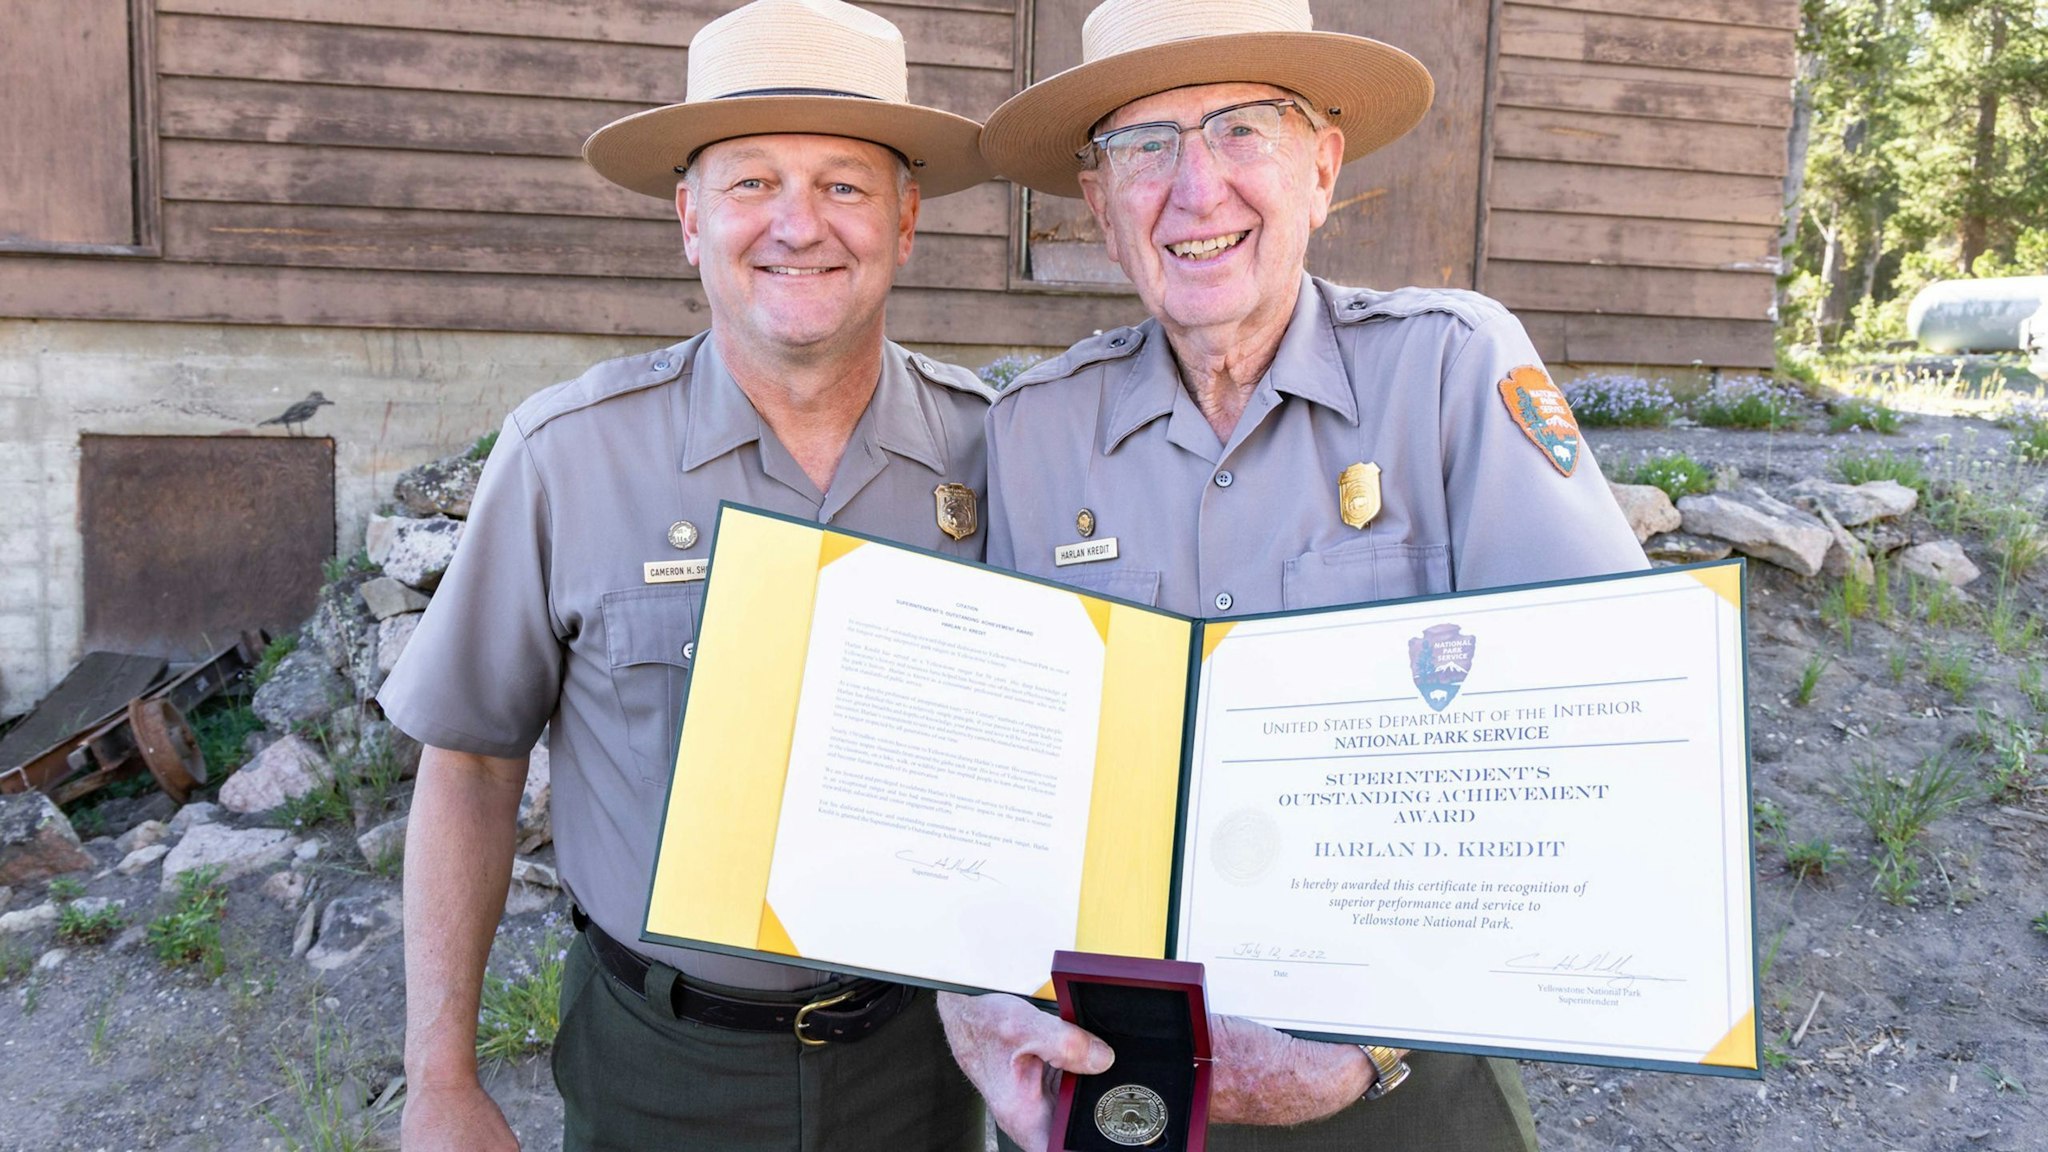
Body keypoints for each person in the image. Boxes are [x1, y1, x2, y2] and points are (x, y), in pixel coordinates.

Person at [943, 0, 1647, 1149]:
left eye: (1239, 131)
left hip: (1402, 1079)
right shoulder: (1031, 431)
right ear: (1099, 205)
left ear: (1321, 166)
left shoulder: (1448, 374)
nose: (1194, 188)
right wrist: (960, 980)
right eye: (1143, 147)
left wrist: (1368, 1046)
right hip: (1122, 1076)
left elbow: (1602, 740)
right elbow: (996, 769)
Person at [377, 2, 996, 1149]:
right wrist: (440, 1081)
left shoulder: (994, 450)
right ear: (688, 217)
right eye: (751, 182)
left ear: (906, 221)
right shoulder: (569, 455)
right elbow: (467, 762)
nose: (798, 225)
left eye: (846, 185)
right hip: (661, 1065)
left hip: (928, 1061)